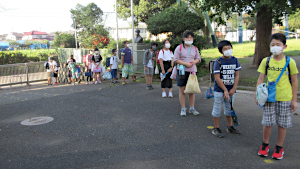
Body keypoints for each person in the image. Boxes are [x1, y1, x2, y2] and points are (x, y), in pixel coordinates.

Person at [255, 33, 298, 160]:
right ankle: (265, 144)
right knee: (267, 123)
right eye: (273, 44)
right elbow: (261, 78)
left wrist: (294, 100)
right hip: (269, 98)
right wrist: (257, 95)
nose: (275, 47)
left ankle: (279, 147)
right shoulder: (266, 61)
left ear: (284, 46)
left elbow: (295, 81)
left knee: (282, 124)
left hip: (285, 98)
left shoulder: (290, 62)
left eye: (278, 45)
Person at [211, 40, 242, 138]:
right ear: (221, 51)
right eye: (225, 49)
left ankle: (230, 126)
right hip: (219, 90)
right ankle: (216, 128)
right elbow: (217, 78)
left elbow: (237, 76)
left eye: (229, 48)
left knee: (229, 109)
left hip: (231, 90)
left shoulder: (235, 60)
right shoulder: (218, 62)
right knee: (217, 109)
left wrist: (233, 89)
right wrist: (225, 90)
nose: (228, 50)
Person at [174, 31, 201, 116]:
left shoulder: (195, 48)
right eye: (187, 38)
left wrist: (194, 61)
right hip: (182, 71)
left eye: (191, 38)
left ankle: (192, 108)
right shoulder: (179, 48)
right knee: (182, 91)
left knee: (191, 90)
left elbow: (198, 59)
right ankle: (183, 109)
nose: (189, 39)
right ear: (183, 39)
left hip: (192, 72)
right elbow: (176, 59)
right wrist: (185, 64)